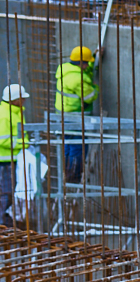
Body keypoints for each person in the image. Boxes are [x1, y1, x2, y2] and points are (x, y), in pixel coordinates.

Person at [55, 46, 96, 182]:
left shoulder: (65, 70)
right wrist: (96, 88)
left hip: (63, 116)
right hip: (75, 117)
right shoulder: (78, 79)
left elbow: (84, 73)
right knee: (79, 147)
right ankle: (74, 176)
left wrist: (94, 58)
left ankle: (68, 173)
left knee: (68, 145)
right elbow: (90, 96)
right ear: (82, 63)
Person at [0, 85, 26, 228]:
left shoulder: (16, 112)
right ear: (14, 99)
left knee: (12, 192)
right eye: (21, 98)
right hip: (4, 161)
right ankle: (3, 223)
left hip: (14, 159)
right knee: (6, 193)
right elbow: (3, 140)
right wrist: (24, 144)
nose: (24, 100)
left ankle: (6, 220)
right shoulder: (4, 115)